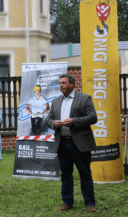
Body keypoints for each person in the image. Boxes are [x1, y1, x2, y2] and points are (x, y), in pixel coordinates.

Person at [45, 74, 97, 213]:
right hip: (62, 143)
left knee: (85, 173)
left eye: (64, 83)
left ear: (72, 84)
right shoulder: (55, 101)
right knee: (66, 174)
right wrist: (54, 123)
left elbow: (93, 117)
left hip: (79, 143)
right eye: (60, 83)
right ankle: (67, 202)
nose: (61, 85)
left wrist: (74, 121)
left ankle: (90, 203)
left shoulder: (85, 98)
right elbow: (48, 119)